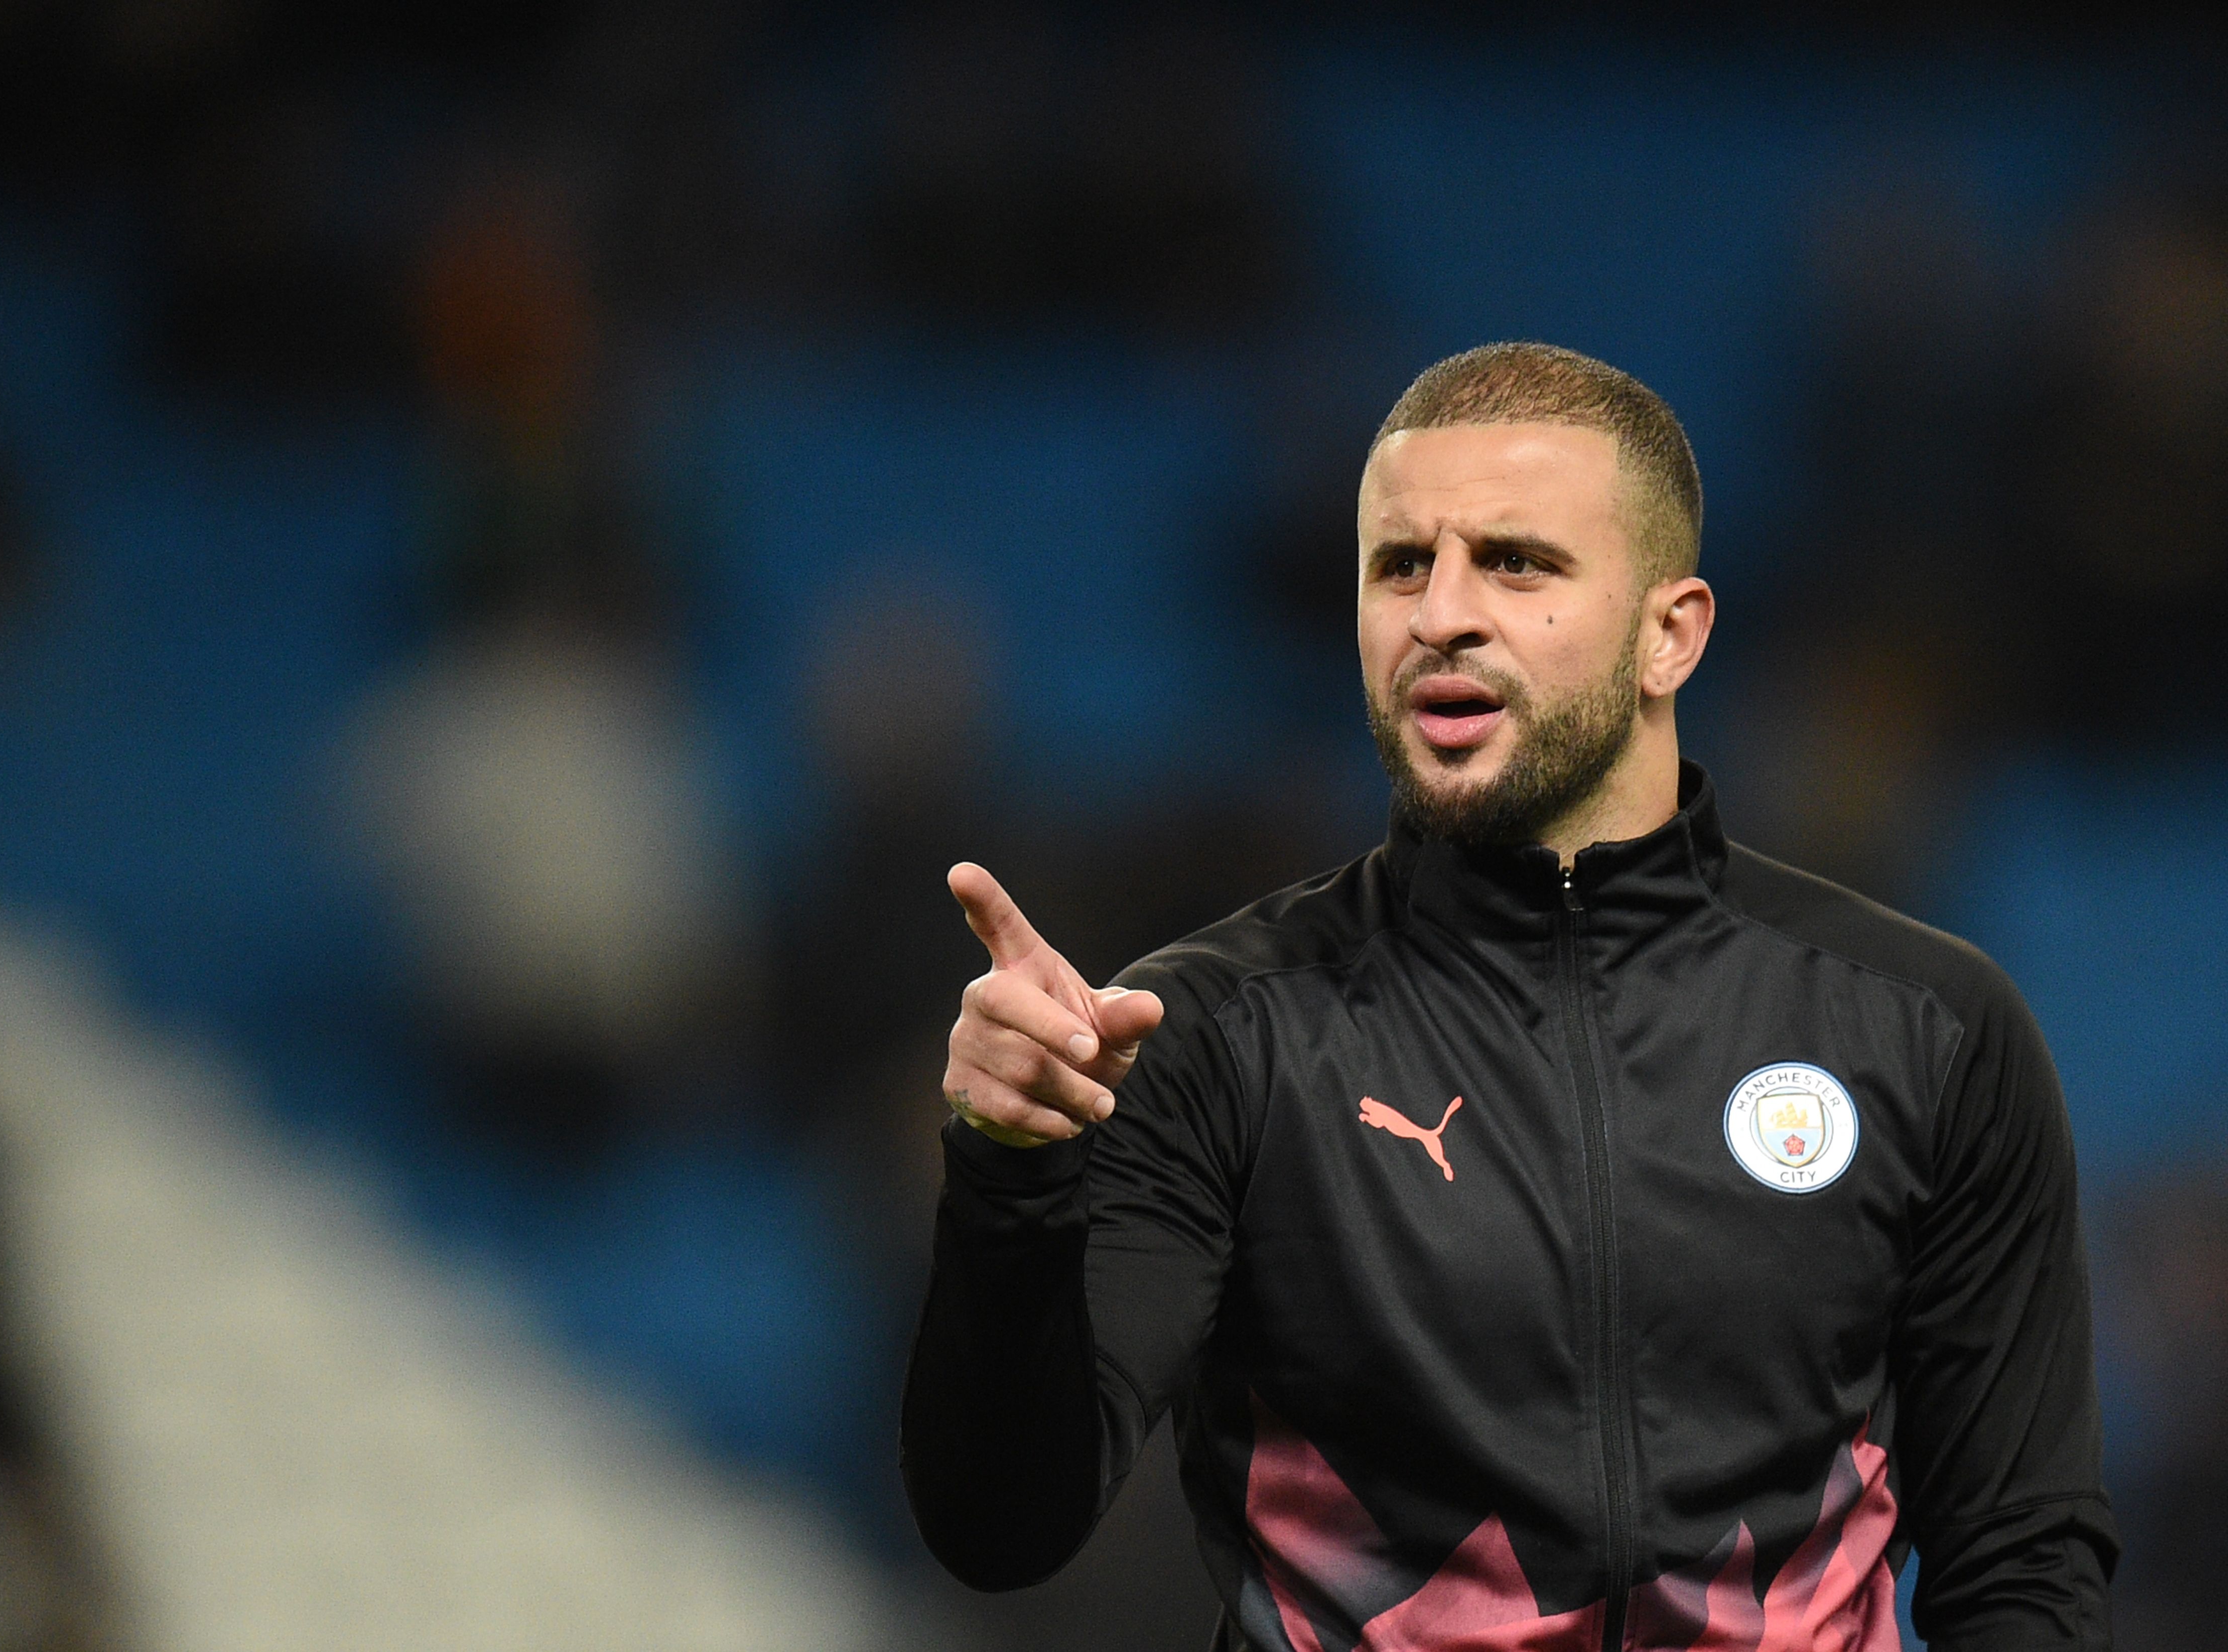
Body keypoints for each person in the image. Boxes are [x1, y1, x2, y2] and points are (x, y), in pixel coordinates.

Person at [901, 343, 2116, 1651]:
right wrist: (1012, 1177)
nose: (1442, 615)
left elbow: (2023, 1562)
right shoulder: (1216, 1036)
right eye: (1400, 566)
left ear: (1671, 635)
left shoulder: (1927, 1029)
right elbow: (1001, 1528)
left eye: (1518, 563)